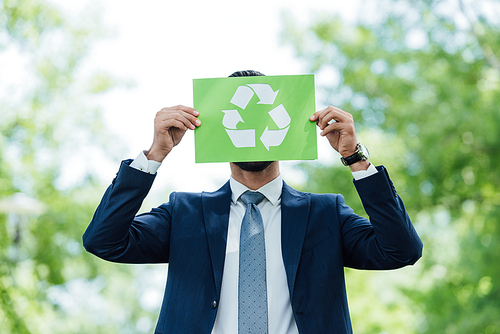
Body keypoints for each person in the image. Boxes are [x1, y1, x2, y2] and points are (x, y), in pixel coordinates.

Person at [83, 70, 423, 334]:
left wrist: (356, 159)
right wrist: (154, 155)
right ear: (216, 130)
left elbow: (401, 249)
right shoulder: (184, 214)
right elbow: (104, 241)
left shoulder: (325, 215)